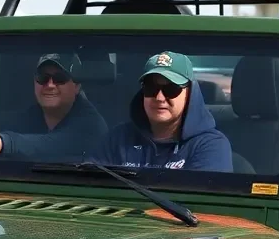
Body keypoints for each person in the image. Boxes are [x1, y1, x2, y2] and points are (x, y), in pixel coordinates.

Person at [0, 53, 107, 160]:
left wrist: (1, 144)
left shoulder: (92, 125)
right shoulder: (13, 120)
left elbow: (56, 144)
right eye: (42, 77)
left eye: (60, 78)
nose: (50, 85)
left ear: (77, 86)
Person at [94, 50, 232, 172]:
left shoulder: (209, 146)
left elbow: (198, 199)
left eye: (171, 89)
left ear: (190, 93)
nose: (159, 97)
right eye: (151, 88)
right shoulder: (117, 140)